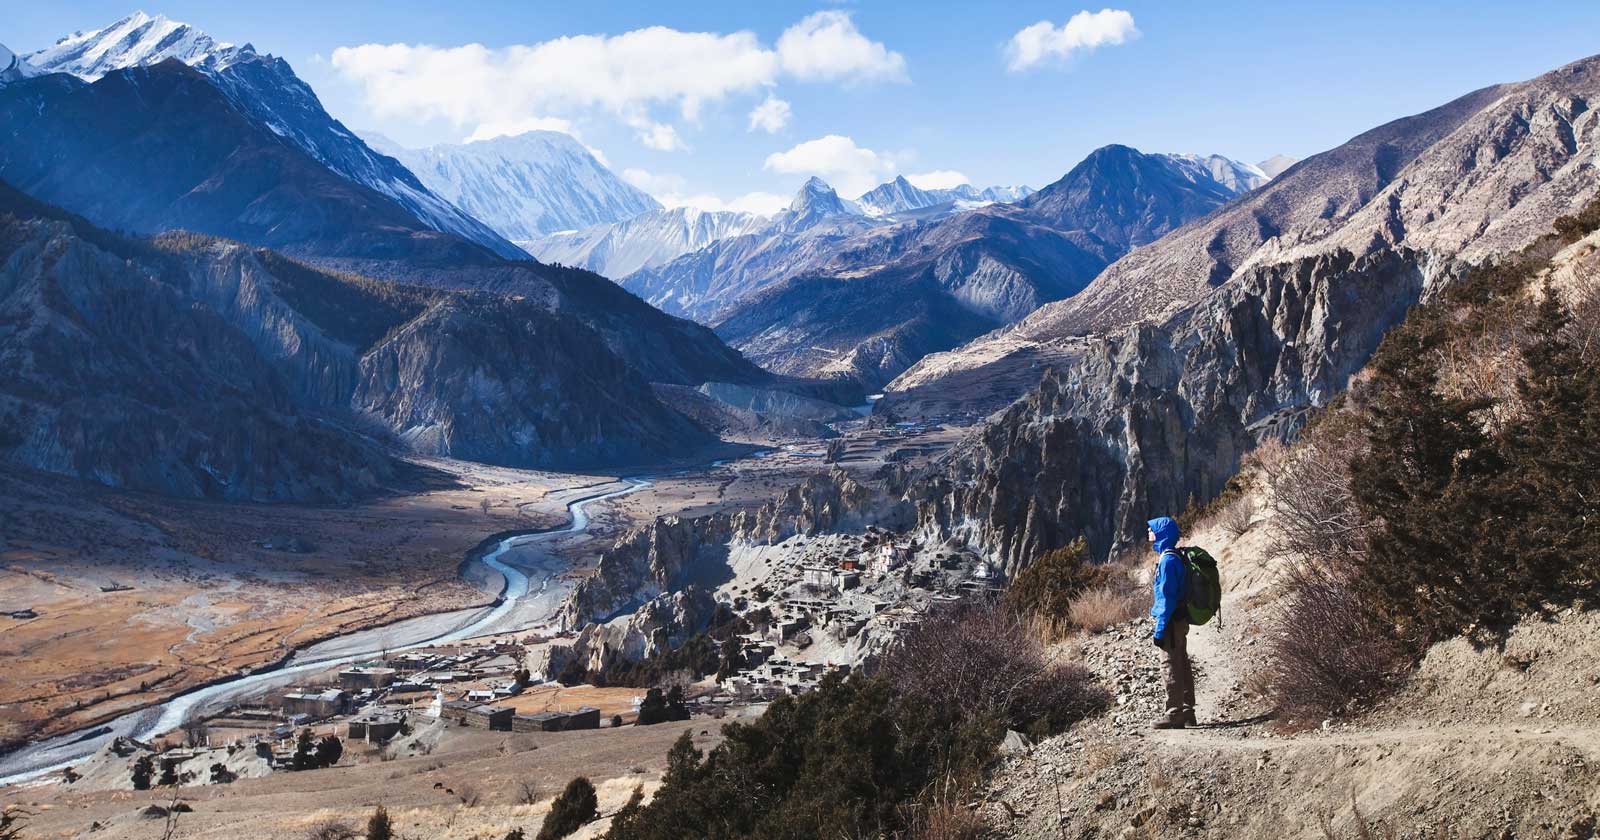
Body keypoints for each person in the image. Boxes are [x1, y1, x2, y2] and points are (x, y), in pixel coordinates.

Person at [1148, 516, 1196, 729]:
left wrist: (1159, 629)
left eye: (1152, 530)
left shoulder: (1167, 561)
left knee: (1169, 664)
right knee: (1182, 662)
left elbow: (1166, 599)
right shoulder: (1174, 557)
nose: (1149, 533)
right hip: (1179, 619)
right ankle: (1187, 710)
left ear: (1162, 534)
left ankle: (1175, 713)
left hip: (1170, 621)